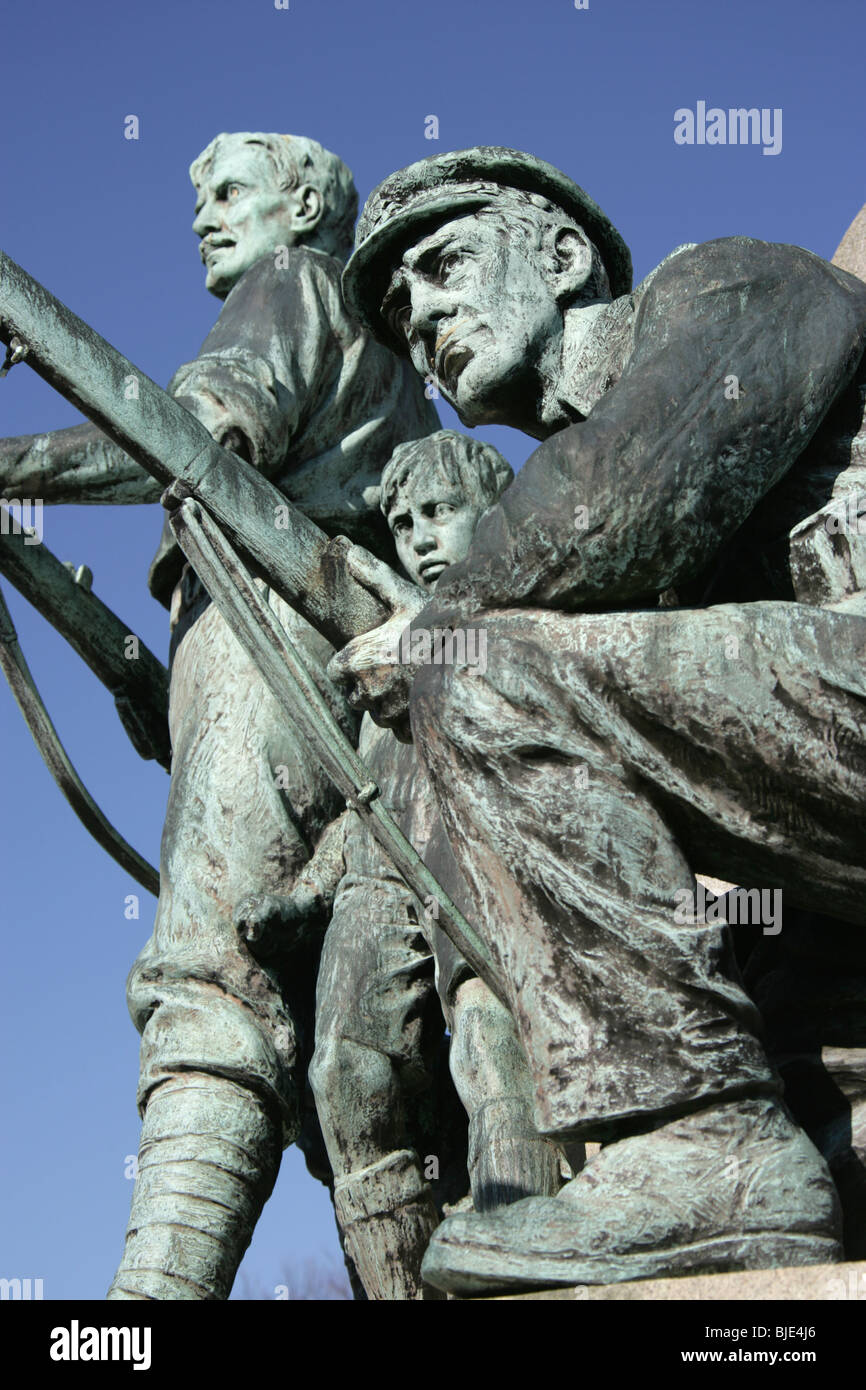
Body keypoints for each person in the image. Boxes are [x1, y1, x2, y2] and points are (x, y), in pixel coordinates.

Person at [327, 145, 866, 1294]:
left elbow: (626, 498)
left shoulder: (732, 284)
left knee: (481, 672)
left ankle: (700, 1145)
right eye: (396, 308)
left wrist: (438, 625)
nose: (419, 315)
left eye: (441, 264)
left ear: (562, 255)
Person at [1, 131, 437, 1300]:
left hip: (270, 651)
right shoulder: (395, 358)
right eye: (196, 200)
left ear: (303, 204)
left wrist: (9, 463)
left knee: (208, 978)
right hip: (333, 683)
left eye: (229, 192)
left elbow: (183, 443)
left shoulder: (291, 286)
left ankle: (149, 1308)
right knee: (341, 1039)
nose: (203, 216)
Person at [238, 430, 564, 1299]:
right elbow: (361, 798)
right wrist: (304, 895)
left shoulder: (520, 601)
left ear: (493, 514)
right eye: (405, 520)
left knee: (494, 1049)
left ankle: (518, 1259)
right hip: (382, 870)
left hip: (486, 856)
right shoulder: (383, 646)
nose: (419, 536)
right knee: (343, 1068)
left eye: (441, 513)